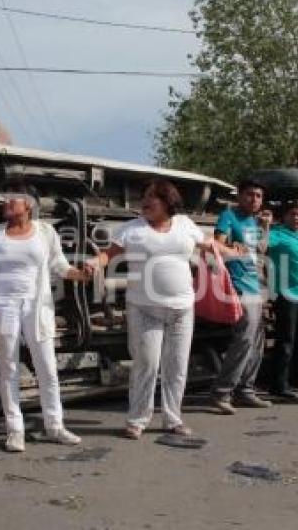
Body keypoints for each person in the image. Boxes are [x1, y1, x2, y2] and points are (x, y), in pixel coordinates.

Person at [86, 179, 222, 439]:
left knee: (177, 366)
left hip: (182, 308)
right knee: (146, 363)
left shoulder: (184, 225)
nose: (144, 202)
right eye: (143, 196)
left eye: (152, 197)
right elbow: (109, 254)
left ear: (168, 201)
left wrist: (231, 250)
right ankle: (137, 419)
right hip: (144, 307)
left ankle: (173, 419)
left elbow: (208, 245)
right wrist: (95, 261)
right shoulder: (131, 229)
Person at [0, 181, 90, 452]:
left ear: (29, 204)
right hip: (4, 306)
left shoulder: (46, 232)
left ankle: (55, 426)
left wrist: (80, 274)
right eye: (5, 198)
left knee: (47, 367)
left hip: (37, 307)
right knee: (9, 369)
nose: (6, 202)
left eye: (12, 198)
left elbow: (59, 265)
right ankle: (15, 430)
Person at [209, 179, 272, 414]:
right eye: (250, 194)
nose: (254, 199)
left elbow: (261, 251)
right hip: (239, 284)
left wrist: (265, 227)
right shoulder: (228, 216)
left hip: (257, 285)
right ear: (239, 196)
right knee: (244, 338)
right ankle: (222, 392)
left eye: (258, 196)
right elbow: (217, 247)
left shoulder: (256, 221)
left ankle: (246, 390)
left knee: (257, 339)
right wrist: (231, 250)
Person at [266, 202, 298, 399]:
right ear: (284, 217)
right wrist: (265, 225)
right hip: (286, 293)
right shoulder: (277, 235)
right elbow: (260, 244)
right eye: (293, 215)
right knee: (286, 340)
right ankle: (279, 384)